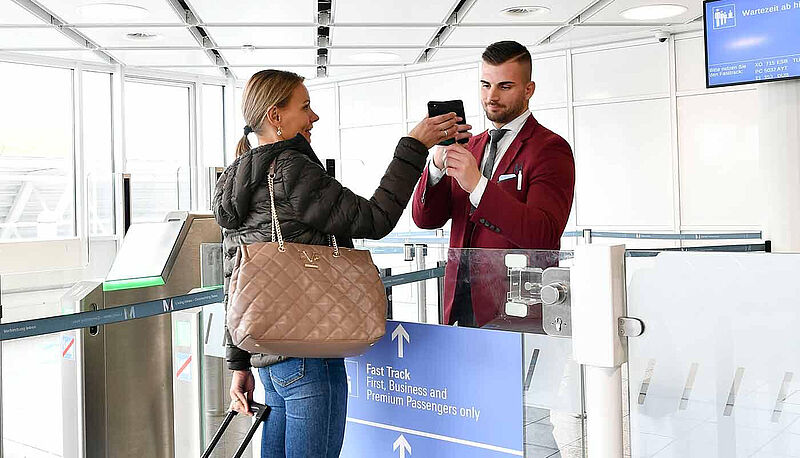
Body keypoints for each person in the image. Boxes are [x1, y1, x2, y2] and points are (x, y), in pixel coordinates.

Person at [212, 69, 471, 458]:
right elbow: (375, 219)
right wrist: (414, 146)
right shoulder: (292, 170)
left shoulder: (236, 177)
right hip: (309, 351)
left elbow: (236, 276)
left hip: (269, 356)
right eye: (305, 106)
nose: (313, 117)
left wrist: (240, 362)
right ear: (275, 116)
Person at [412, 40, 575, 327]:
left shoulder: (550, 148)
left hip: (516, 309)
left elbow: (545, 235)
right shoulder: (470, 147)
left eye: (505, 86)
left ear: (529, 90)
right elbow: (426, 220)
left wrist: (478, 185)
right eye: (485, 85)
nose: (492, 96)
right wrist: (436, 165)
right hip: (458, 306)